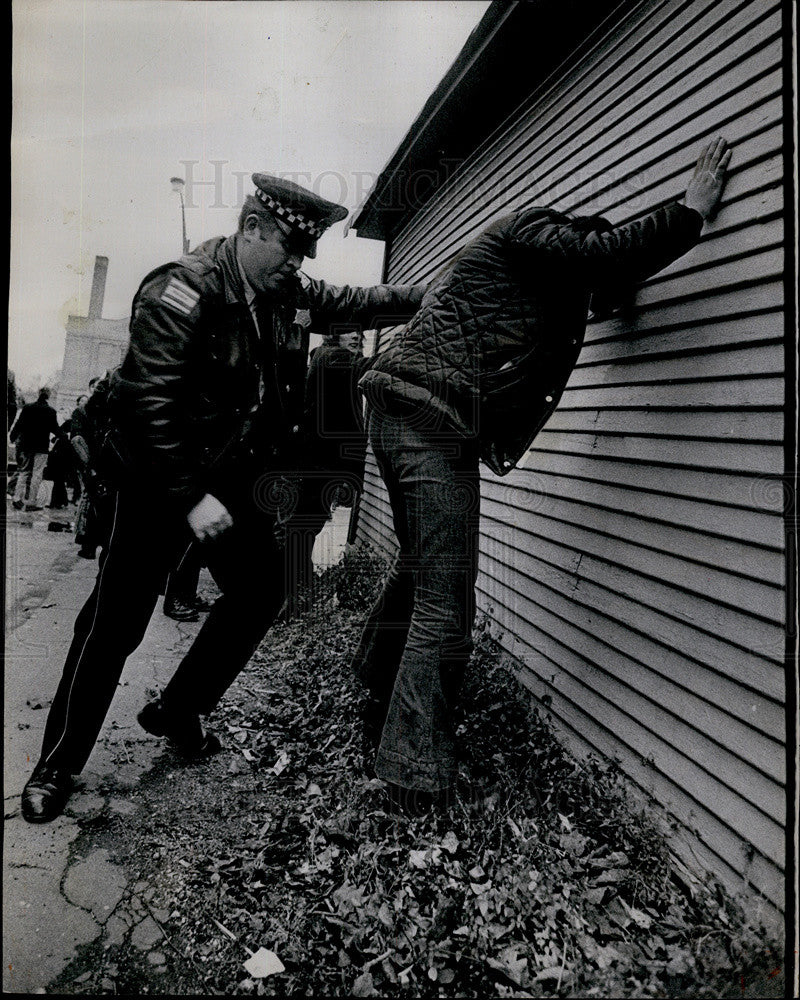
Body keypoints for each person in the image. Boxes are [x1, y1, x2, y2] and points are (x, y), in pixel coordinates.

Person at [20, 172, 426, 823]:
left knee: (262, 588)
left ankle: (180, 707)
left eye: (304, 255)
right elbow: (151, 410)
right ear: (252, 229)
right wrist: (191, 499)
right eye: (289, 248)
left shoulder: (278, 286)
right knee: (115, 624)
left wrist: (430, 296)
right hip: (158, 480)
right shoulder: (180, 289)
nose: (296, 265)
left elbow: (352, 299)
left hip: (229, 477)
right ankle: (57, 765)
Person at [353, 138, 732, 813]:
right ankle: (411, 772)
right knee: (447, 596)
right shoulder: (531, 228)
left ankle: (377, 688)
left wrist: (615, 289)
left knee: (421, 568)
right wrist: (688, 212)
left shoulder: (523, 272)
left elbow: (599, 284)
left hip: (404, 407)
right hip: (429, 417)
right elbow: (599, 257)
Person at [284, 330, 370, 614]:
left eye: (359, 332)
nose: (357, 336)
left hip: (320, 457)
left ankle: (298, 585)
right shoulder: (334, 357)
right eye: (348, 332)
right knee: (304, 524)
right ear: (333, 335)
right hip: (321, 458)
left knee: (305, 523)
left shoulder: (326, 358)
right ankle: (293, 593)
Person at [10, 386, 61, 511]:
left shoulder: (28, 408)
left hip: (27, 446)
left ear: (38, 394)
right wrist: (64, 436)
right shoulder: (51, 411)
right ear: (48, 396)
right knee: (37, 474)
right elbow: (55, 429)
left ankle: (17, 498)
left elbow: (19, 424)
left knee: (24, 472)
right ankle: (31, 501)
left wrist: (12, 436)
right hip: (41, 447)